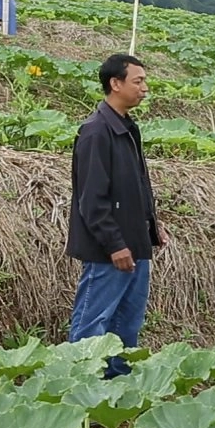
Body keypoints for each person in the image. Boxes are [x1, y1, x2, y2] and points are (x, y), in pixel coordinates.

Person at [65, 53, 167, 377]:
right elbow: (92, 199)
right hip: (109, 251)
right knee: (92, 322)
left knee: (127, 323)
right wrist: (114, 244)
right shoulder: (96, 132)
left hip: (135, 244)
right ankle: (79, 385)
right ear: (115, 83)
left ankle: (117, 386)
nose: (145, 88)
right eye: (138, 81)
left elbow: (135, 186)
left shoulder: (127, 127)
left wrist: (152, 226)